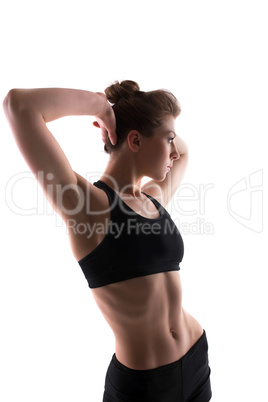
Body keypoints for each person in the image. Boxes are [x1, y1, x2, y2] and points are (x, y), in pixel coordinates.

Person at [3, 80, 212, 401]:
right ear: (135, 141)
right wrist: (100, 106)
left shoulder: (152, 198)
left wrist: (143, 114)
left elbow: (183, 154)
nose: (173, 150)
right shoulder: (87, 205)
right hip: (145, 385)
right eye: (168, 139)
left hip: (197, 360)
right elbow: (19, 105)